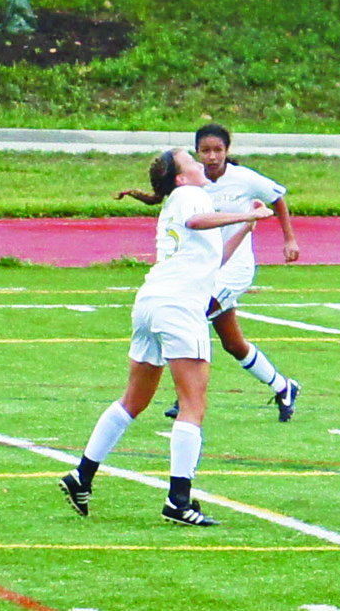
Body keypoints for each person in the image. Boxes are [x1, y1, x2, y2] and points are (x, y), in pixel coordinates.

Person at [59, 148, 271, 526]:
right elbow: (196, 222)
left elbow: (211, 259)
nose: (198, 161)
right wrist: (247, 212)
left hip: (152, 302)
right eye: (190, 159)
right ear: (179, 177)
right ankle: (178, 500)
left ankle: (82, 475)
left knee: (133, 401)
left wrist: (246, 227)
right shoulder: (192, 196)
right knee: (193, 404)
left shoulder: (178, 200)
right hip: (179, 306)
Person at [163, 123, 303, 423]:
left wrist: (289, 239)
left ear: (228, 151)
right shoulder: (194, 183)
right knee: (233, 343)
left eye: (218, 150)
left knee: (194, 317)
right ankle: (284, 386)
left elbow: (278, 198)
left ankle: (186, 395)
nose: (212, 157)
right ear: (197, 152)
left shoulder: (243, 179)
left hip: (234, 269)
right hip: (208, 267)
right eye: (205, 151)